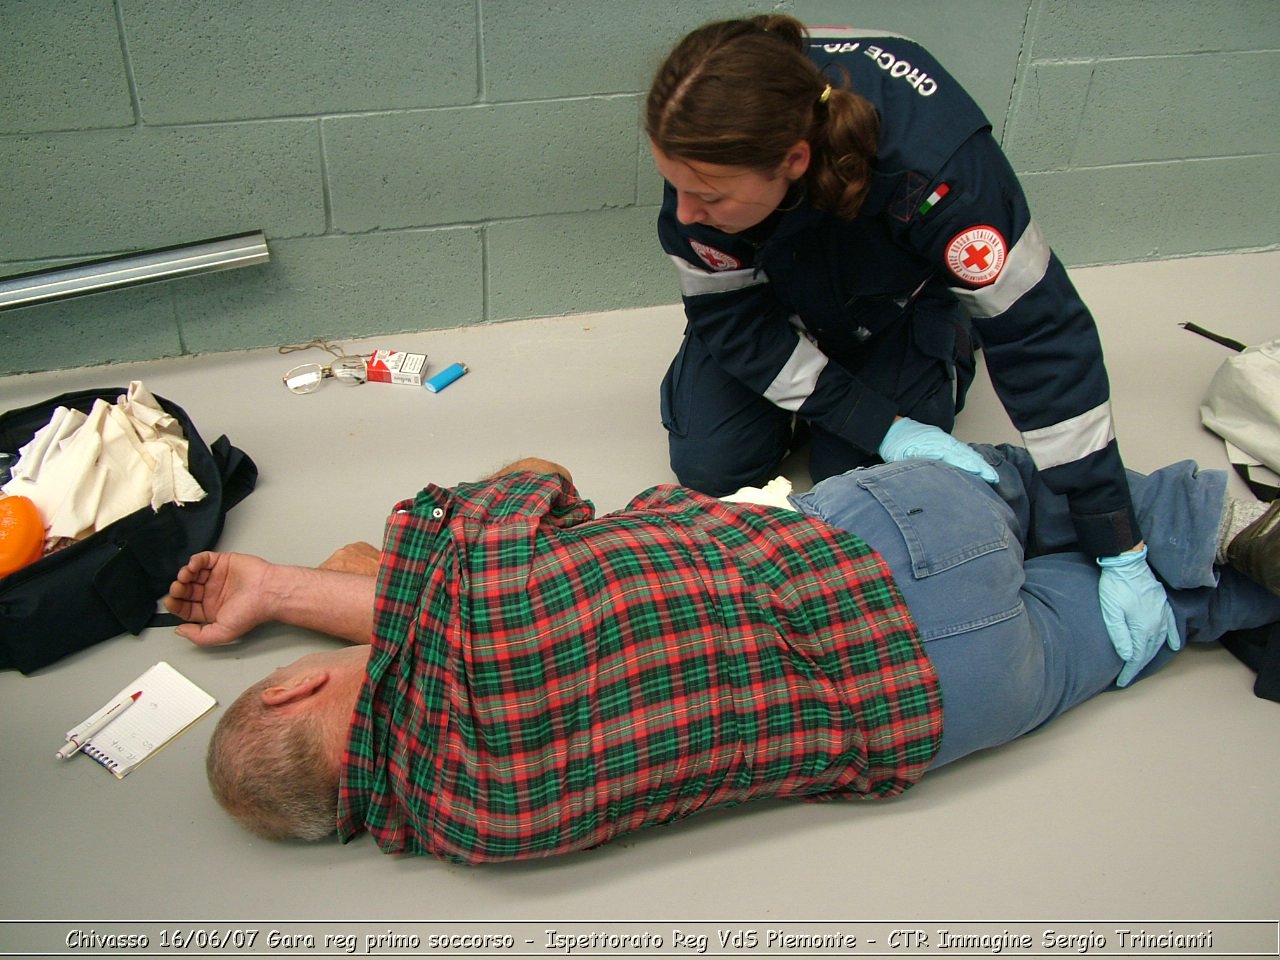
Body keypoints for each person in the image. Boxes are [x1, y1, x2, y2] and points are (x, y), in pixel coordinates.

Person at [165, 450, 1280, 864]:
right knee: (1037, 492)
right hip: (870, 548)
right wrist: (321, 579)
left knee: (1153, 622)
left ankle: (1221, 597)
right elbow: (540, 476)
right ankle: (1209, 511)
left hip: (949, 707)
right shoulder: (464, 585)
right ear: (294, 679)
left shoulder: (478, 832)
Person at [645, 15, 1178, 687]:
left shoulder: (942, 167)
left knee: (856, 486)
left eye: (710, 195)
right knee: (709, 460)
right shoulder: (704, 141)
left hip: (894, 305)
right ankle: (823, 387)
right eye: (677, 185)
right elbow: (730, 315)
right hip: (780, 298)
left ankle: (934, 349)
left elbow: (1041, 334)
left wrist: (1117, 543)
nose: (684, 213)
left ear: (794, 160)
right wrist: (881, 422)